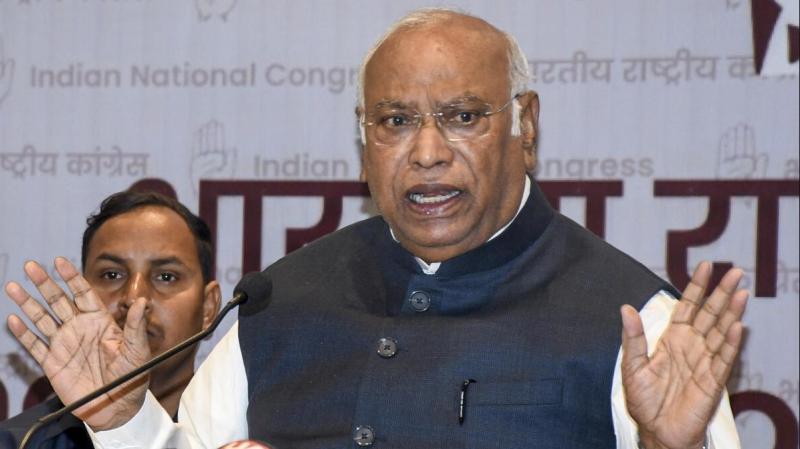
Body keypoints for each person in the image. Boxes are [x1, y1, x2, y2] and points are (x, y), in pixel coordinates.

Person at [5, 9, 748, 449]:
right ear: (365, 142)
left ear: (525, 126)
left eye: (462, 116)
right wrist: (124, 421)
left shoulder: (642, 324)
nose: (426, 152)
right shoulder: (277, 304)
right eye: (395, 121)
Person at [0, 191, 221, 448]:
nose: (134, 297)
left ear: (208, 307)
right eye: (111, 275)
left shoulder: (244, 432)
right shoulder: (21, 442)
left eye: (166, 277)